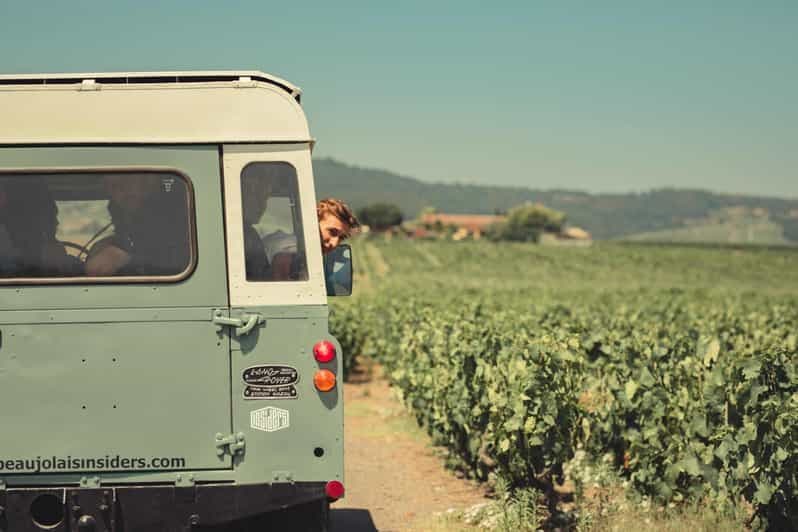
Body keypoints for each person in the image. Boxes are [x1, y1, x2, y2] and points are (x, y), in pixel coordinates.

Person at [85, 174, 190, 277]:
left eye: (124, 183)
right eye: (111, 187)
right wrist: (112, 244)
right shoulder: (128, 218)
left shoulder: (177, 212)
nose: (118, 193)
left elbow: (178, 264)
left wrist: (125, 259)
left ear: (149, 180)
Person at [268, 198, 359, 281]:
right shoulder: (287, 256)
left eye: (341, 238)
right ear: (313, 222)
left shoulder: (306, 256)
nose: (334, 243)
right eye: (332, 232)